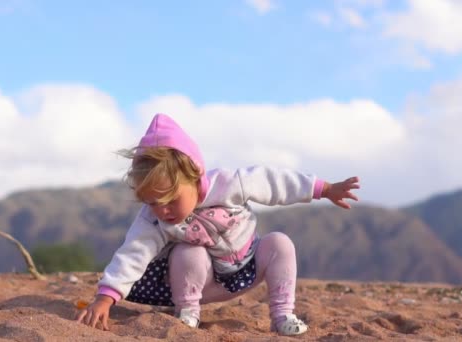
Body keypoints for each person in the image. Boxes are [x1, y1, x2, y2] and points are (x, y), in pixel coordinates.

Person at [76, 113, 360, 336]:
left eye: (171, 199)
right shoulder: (153, 219)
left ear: (194, 175)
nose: (162, 210)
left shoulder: (228, 183)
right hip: (200, 284)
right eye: (152, 202)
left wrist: (323, 188)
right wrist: (106, 297)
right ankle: (187, 315)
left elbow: (272, 182)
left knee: (279, 243)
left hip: (249, 268)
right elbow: (132, 253)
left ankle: (282, 316)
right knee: (188, 252)